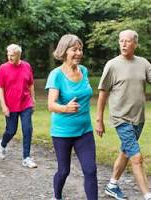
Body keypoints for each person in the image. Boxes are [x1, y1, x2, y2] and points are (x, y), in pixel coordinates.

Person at [96, 29, 151, 200]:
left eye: (127, 41)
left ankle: (112, 185)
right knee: (137, 157)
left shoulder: (144, 63)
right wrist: (99, 120)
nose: (124, 44)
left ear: (135, 43)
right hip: (121, 118)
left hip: (139, 118)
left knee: (126, 151)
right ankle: (147, 194)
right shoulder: (112, 65)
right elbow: (103, 94)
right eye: (121, 41)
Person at [45, 34, 98, 200]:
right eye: (74, 49)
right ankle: (57, 196)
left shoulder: (84, 70)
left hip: (84, 130)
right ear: (64, 51)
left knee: (90, 170)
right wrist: (66, 108)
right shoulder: (56, 75)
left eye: (80, 49)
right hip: (63, 132)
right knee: (63, 171)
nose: (78, 53)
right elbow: (51, 105)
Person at [0, 43, 37, 168]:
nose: (9, 57)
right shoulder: (3, 68)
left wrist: (33, 100)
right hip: (10, 105)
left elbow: (30, 84)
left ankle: (26, 157)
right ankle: (2, 144)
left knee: (27, 129)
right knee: (11, 130)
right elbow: (0, 88)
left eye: (12, 55)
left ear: (19, 55)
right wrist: (3, 105)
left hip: (25, 103)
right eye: (8, 55)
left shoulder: (27, 66)